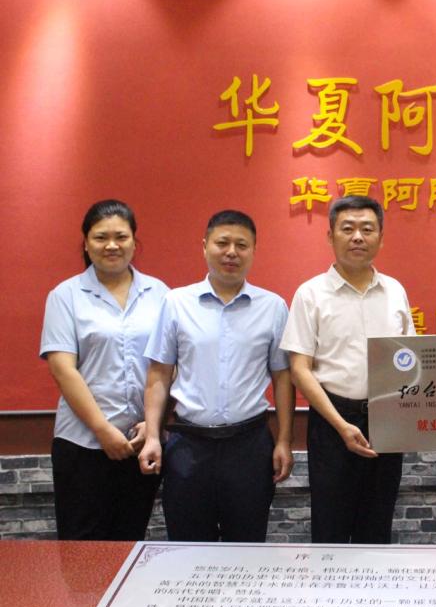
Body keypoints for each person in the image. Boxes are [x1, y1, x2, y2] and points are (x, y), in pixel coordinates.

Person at [139, 210, 294, 542]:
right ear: (205, 246)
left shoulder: (273, 307)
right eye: (222, 243)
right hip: (188, 445)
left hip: (250, 446)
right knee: (188, 547)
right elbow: (159, 374)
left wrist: (283, 441)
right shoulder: (176, 303)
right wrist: (152, 436)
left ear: (254, 251)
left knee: (247, 546)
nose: (231, 252)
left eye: (242, 245)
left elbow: (283, 378)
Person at [281, 196, 414, 544]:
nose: (358, 237)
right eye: (348, 229)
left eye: (367, 229)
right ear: (330, 236)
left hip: (386, 420)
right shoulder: (310, 294)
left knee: (377, 525)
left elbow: (410, 359)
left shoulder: (395, 291)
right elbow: (299, 369)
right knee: (330, 528)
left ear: (381, 238)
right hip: (331, 420)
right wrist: (341, 425)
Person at [40, 200, 168, 540]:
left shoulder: (159, 294)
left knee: (130, 543)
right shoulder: (65, 296)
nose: (112, 245)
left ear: (134, 242)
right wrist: (103, 430)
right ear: (86, 243)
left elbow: (170, 365)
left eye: (121, 237)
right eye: (100, 237)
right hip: (82, 444)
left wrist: (154, 424)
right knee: (82, 548)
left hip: (140, 443)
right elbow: (63, 369)